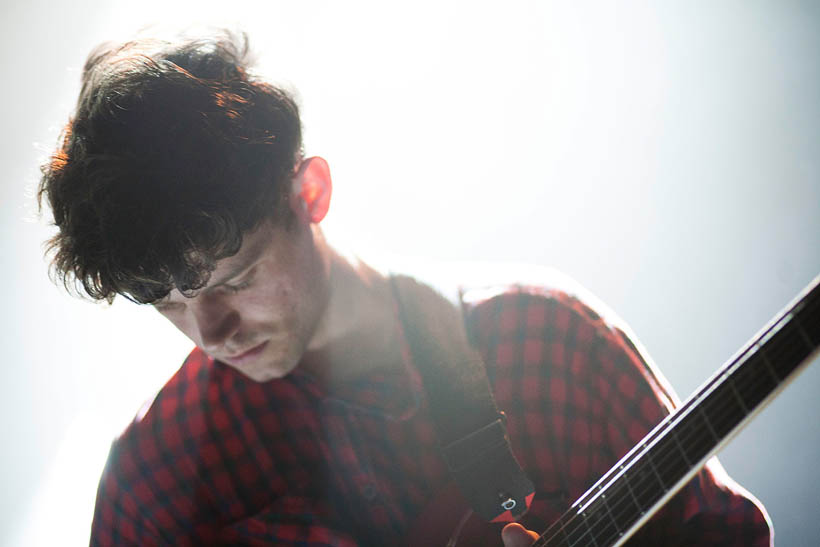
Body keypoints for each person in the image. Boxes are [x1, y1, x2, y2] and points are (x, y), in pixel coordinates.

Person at [39, 31, 772, 546]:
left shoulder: (543, 341)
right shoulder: (154, 481)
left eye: (236, 277)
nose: (212, 331)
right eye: (168, 301)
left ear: (310, 192)